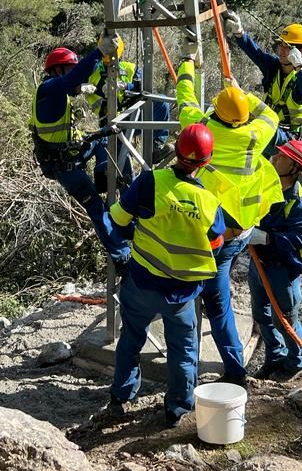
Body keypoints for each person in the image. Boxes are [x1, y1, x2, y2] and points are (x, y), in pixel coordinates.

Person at [106, 124, 228, 427]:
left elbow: (118, 220)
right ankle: (177, 409)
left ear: (175, 151)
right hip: (182, 294)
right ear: (207, 161)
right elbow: (216, 244)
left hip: (142, 283)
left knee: (130, 339)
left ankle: (120, 398)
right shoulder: (209, 202)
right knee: (184, 352)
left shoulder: (150, 182)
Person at [176, 44, 282, 385]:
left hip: (212, 236)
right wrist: (242, 94)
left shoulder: (204, 128)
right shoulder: (256, 133)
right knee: (216, 302)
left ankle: (228, 373)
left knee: (210, 305)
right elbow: (270, 114)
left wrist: (188, 64)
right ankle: (233, 370)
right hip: (243, 231)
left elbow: (185, 99)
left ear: (218, 114)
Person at [30, 35, 129, 265]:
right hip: (65, 167)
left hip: (72, 153)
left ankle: (107, 175)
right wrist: (97, 52)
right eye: (71, 71)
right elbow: (73, 78)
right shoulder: (49, 90)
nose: (79, 79)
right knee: (97, 209)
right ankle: (122, 258)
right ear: (58, 71)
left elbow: (75, 79)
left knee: (104, 139)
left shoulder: (58, 92)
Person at [249, 139, 302, 381]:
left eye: (282, 157)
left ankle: (297, 363)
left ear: (294, 168)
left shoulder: (299, 203)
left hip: (281, 271)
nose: (275, 158)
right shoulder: (267, 185)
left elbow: (299, 237)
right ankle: (275, 356)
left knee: (286, 321)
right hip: (258, 264)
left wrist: (266, 238)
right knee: (261, 315)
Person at [223, 12, 302, 156]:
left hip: (287, 138)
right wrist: (240, 34)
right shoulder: (274, 67)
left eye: (287, 47)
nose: (281, 51)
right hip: (267, 127)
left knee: (249, 132)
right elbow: (256, 53)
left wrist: (299, 66)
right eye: (281, 45)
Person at [84, 35, 172, 190]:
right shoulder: (93, 72)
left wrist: (127, 87)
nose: (110, 63)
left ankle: (156, 147)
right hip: (111, 124)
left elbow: (145, 89)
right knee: (123, 175)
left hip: (131, 116)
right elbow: (74, 84)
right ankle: (124, 205)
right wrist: (95, 90)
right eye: (106, 60)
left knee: (161, 101)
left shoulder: (131, 68)